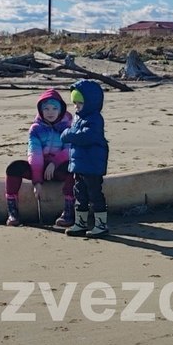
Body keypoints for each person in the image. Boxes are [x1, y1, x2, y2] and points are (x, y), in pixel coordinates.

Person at [4, 88, 75, 227]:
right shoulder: (36, 129)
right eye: (46, 108)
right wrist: (37, 182)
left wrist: (54, 163)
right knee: (14, 167)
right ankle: (13, 213)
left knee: (73, 167)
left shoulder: (68, 127)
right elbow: (34, 154)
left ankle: (68, 212)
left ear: (61, 110)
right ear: (40, 110)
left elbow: (70, 150)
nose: (50, 112)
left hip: (58, 169)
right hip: (39, 168)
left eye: (55, 108)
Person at [61, 79, 110, 237]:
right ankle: (80, 223)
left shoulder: (95, 119)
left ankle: (101, 225)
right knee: (79, 194)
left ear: (89, 102)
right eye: (74, 102)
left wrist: (68, 134)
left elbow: (86, 136)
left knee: (95, 194)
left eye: (80, 103)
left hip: (92, 165)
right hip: (79, 164)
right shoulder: (78, 117)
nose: (76, 106)